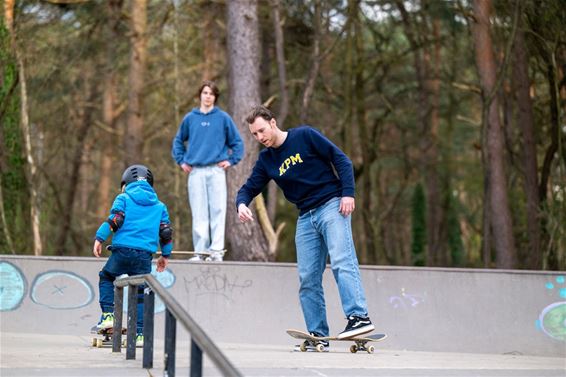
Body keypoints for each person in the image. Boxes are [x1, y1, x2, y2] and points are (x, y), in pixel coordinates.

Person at [236, 106, 374, 351]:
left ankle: (358, 317)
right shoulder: (266, 160)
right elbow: (249, 187)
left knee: (342, 261)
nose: (260, 138)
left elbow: (341, 159)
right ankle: (318, 332)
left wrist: (348, 193)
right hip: (306, 217)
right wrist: (241, 204)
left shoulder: (305, 136)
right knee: (308, 277)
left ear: (273, 122)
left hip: (332, 205)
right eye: (254, 135)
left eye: (262, 131)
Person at [93, 164, 173, 347]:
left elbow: (115, 220)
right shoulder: (160, 206)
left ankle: (108, 316)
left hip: (122, 252)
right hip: (144, 256)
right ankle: (140, 334)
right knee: (140, 293)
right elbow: (166, 233)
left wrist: (99, 238)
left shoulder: (124, 198)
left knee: (106, 277)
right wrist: (165, 256)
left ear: (125, 183)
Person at [172, 80, 244, 261]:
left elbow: (237, 142)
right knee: (199, 213)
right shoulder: (190, 118)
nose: (207, 96)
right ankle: (200, 252)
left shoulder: (223, 118)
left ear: (215, 97)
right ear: (200, 95)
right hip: (195, 171)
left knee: (218, 211)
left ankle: (216, 253)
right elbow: (178, 141)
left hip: (216, 171)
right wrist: (181, 161)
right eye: (205, 93)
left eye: (211, 93)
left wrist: (231, 160)